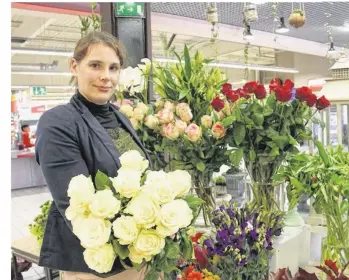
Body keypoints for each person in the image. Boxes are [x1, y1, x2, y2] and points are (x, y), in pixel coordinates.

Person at [35, 31, 151, 280]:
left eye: (113, 68)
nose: (105, 77)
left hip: (138, 252)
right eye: (95, 65)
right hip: (96, 263)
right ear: (74, 66)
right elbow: (76, 207)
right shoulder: (58, 122)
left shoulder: (118, 116)